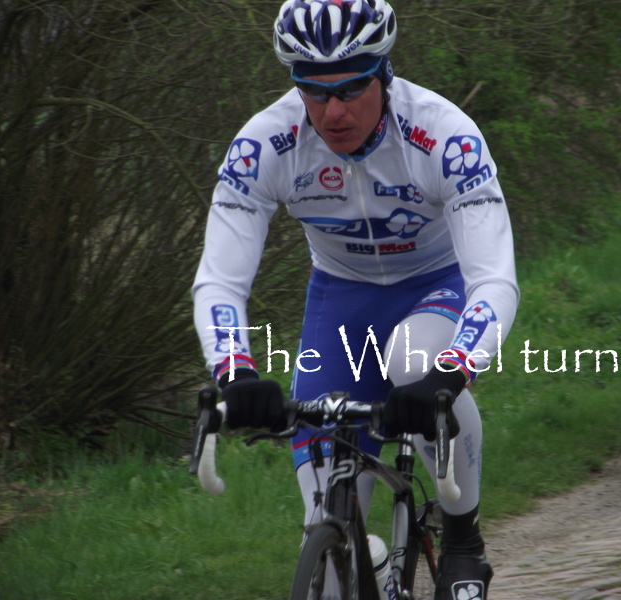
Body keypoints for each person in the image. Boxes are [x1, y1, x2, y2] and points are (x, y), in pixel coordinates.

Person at [192, 1, 519, 598]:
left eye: (350, 89)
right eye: (314, 93)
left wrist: (454, 371)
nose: (333, 111)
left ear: (384, 73)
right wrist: (235, 371)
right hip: (341, 301)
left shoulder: (443, 135)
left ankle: (464, 538)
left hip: (437, 285)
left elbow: (494, 280)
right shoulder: (266, 143)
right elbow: (221, 279)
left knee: (416, 363)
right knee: (327, 547)